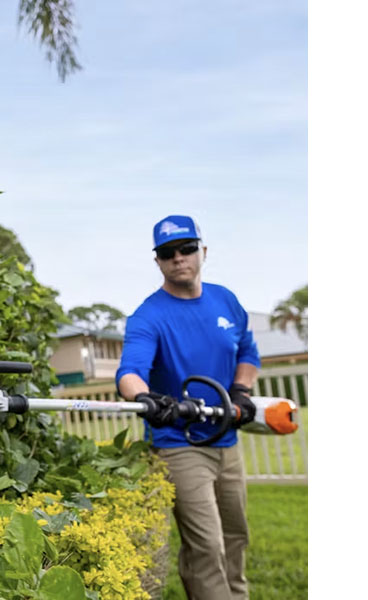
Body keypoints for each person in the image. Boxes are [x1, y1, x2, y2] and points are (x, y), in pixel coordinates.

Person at [115, 215, 260, 600]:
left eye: (186, 248)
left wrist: (241, 391)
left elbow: (247, 350)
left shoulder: (226, 300)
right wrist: (145, 399)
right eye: (167, 253)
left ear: (203, 251)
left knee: (235, 536)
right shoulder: (149, 315)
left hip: (226, 439)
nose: (178, 258)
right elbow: (130, 372)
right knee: (207, 546)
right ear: (158, 262)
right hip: (178, 443)